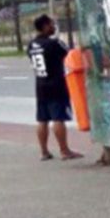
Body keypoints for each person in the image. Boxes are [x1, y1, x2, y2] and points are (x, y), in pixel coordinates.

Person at [26, 15, 83, 161]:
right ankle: (64, 150)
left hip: (41, 85)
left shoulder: (31, 45)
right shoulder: (53, 43)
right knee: (58, 118)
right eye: (51, 24)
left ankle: (44, 151)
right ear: (45, 26)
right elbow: (70, 54)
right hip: (56, 85)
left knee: (42, 119)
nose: (53, 27)